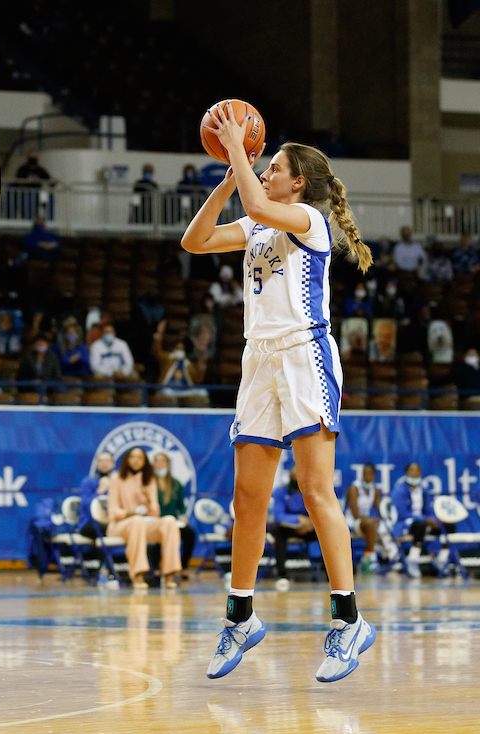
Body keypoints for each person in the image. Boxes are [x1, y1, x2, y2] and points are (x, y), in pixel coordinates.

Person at [182, 106, 376, 682]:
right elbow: (195, 241)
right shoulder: (261, 223)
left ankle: (349, 621)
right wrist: (225, 180)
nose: (265, 172)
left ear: (299, 183)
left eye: (275, 167)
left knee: (317, 491)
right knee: (248, 497)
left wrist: (239, 150)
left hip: (303, 354)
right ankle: (240, 616)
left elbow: (261, 203)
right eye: (262, 167)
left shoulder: (307, 220)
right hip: (258, 360)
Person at [107, 448, 182, 589]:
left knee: (169, 521)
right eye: (133, 457)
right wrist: (130, 513)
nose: (136, 461)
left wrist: (146, 497)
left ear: (145, 461)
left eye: (140, 458)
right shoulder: (116, 478)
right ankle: (138, 575)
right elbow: (113, 511)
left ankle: (169, 574)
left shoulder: (149, 480)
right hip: (120, 525)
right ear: (126, 459)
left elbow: (155, 513)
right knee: (137, 521)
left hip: (143, 524)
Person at [390, 462, 446, 579]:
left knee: (446, 525)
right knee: (421, 524)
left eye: (418, 471)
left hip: (424, 522)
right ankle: (412, 560)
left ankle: (441, 558)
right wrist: (425, 519)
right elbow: (403, 514)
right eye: (412, 471)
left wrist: (433, 519)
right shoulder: (399, 491)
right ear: (406, 473)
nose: (415, 474)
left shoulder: (424, 490)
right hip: (405, 523)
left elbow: (429, 511)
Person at [269, 475, 317, 591]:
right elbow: (278, 516)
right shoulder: (281, 491)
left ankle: (328, 573)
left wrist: (309, 523)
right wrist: (298, 518)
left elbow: (318, 512)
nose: (296, 478)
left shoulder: (311, 491)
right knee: (278, 531)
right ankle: (281, 574)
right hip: (287, 528)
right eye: (293, 476)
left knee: (326, 532)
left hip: (306, 528)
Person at [153, 452, 196, 580]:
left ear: (168, 464)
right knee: (156, 538)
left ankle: (184, 566)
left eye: (162, 461)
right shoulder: (150, 483)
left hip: (172, 522)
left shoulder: (176, 483)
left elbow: (181, 506)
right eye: (157, 461)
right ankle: (156, 567)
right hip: (156, 522)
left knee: (189, 533)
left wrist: (183, 515)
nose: (159, 464)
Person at [345, 463, 388, 574]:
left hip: (366, 521)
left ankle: (392, 554)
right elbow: (355, 514)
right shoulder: (354, 488)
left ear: (374, 475)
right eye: (365, 473)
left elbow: (379, 510)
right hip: (351, 521)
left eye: (369, 473)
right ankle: (371, 558)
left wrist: (381, 519)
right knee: (370, 524)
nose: (366, 476)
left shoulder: (375, 489)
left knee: (383, 525)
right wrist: (372, 520)